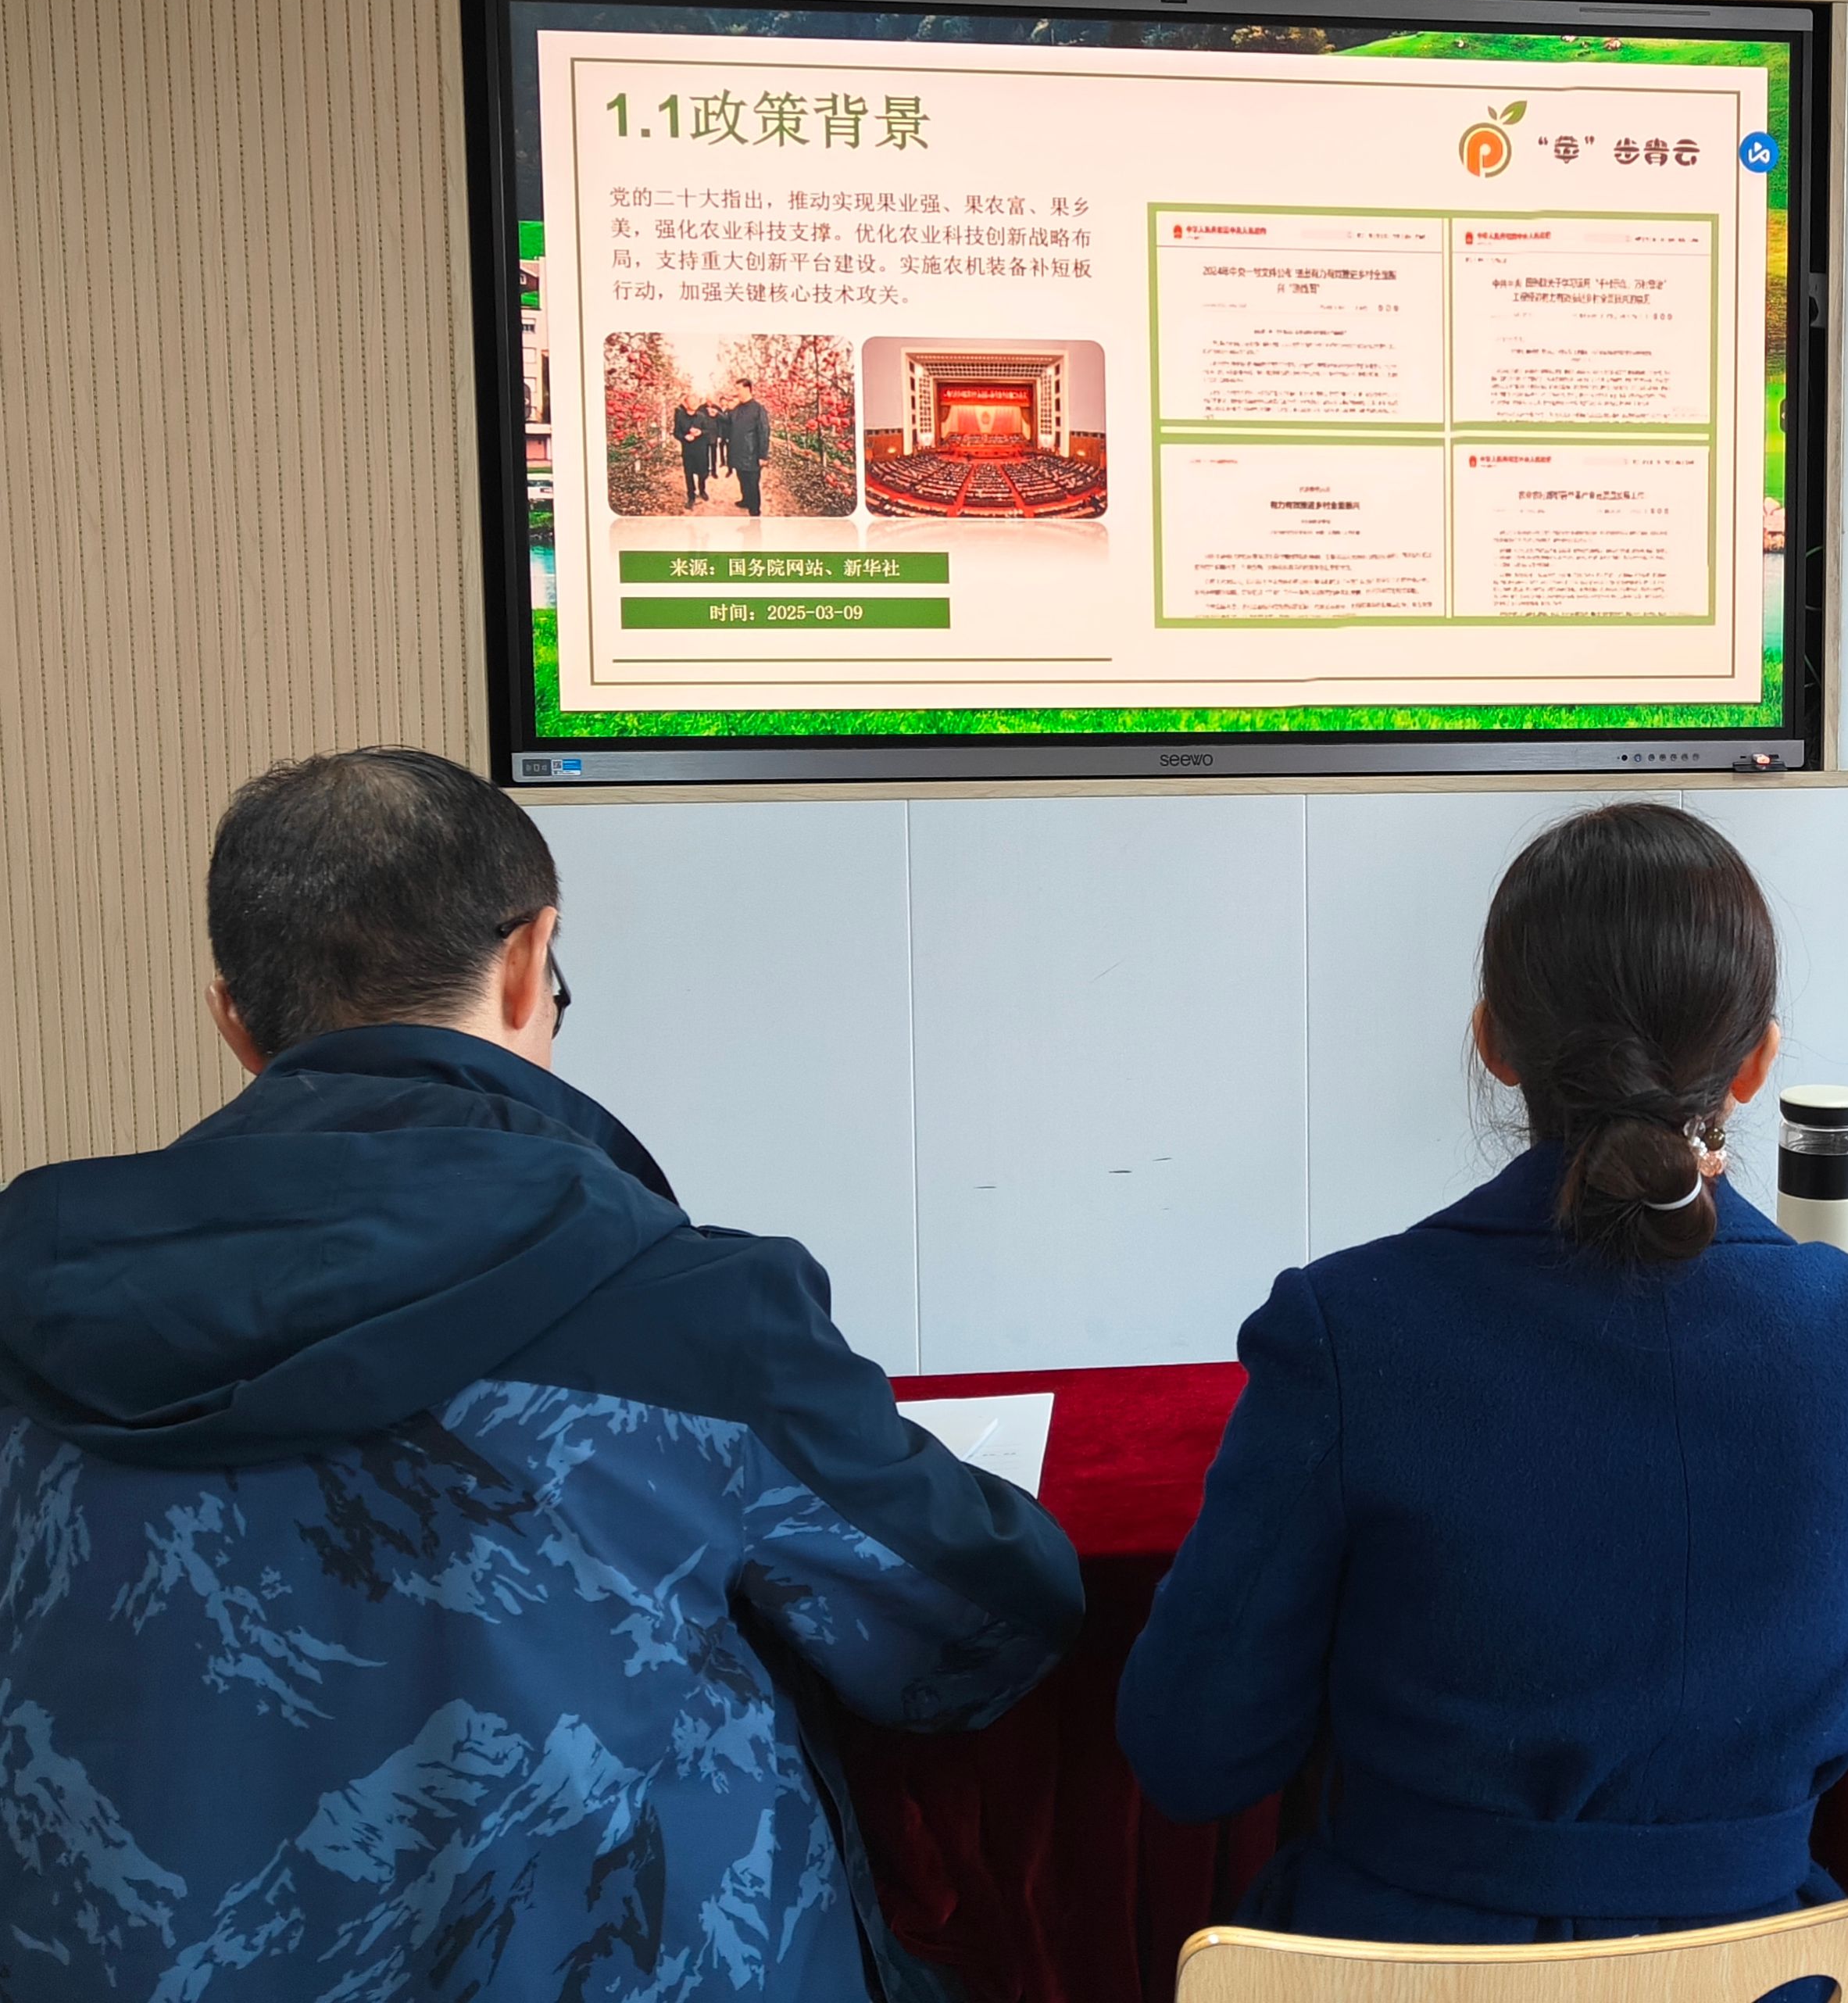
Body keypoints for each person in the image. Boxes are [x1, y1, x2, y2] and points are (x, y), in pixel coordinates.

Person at [0, 747, 1085, 2002]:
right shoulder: (688, 1309)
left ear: (234, 1020)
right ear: (530, 961)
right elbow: (968, 1632)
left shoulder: (32, 1305)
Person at [1116, 802, 1848, 1946]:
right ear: (1756, 1064)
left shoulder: (1347, 1330)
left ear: (1493, 1042)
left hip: (1393, 1969)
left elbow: (1191, 1752)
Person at [728, 375, 771, 519]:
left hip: (752, 454)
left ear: (747, 389)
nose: (736, 392)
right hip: (738, 452)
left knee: (752, 483)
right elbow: (729, 422)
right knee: (742, 479)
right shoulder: (737, 409)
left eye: (738, 389)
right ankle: (745, 501)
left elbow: (764, 432)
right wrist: (718, 415)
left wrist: (763, 455)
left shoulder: (758, 409)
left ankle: (755, 512)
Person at [674, 394, 714, 503]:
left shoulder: (702, 417)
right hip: (688, 450)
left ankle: (702, 490)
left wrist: (700, 432)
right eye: (691, 402)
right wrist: (684, 437)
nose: (694, 404)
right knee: (689, 473)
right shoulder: (680, 417)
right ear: (686, 404)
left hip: (701, 449)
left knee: (703, 472)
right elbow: (676, 433)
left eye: (695, 401)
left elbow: (708, 431)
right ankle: (691, 495)